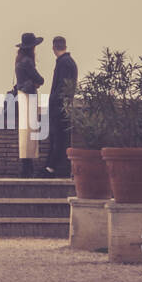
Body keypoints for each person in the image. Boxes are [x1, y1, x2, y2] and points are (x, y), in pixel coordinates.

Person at [43, 36, 78, 178]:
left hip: (59, 107)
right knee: (61, 138)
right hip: (64, 106)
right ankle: (54, 167)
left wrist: (53, 103)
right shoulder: (69, 62)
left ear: (53, 48)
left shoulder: (63, 63)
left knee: (58, 138)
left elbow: (61, 87)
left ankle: (52, 168)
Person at [12, 33, 46, 177]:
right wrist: (36, 83)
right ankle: (28, 168)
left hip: (21, 96)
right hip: (29, 96)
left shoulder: (19, 61)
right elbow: (40, 79)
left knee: (25, 133)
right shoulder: (28, 61)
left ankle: (25, 167)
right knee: (30, 132)